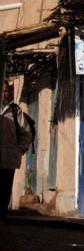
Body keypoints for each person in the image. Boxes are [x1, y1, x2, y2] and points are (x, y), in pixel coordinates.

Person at [1, 82, 32, 222]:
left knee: (4, 192)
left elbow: (26, 133)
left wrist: (18, 150)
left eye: (6, 91)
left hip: (8, 161)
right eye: (2, 91)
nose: (4, 94)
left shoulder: (14, 110)